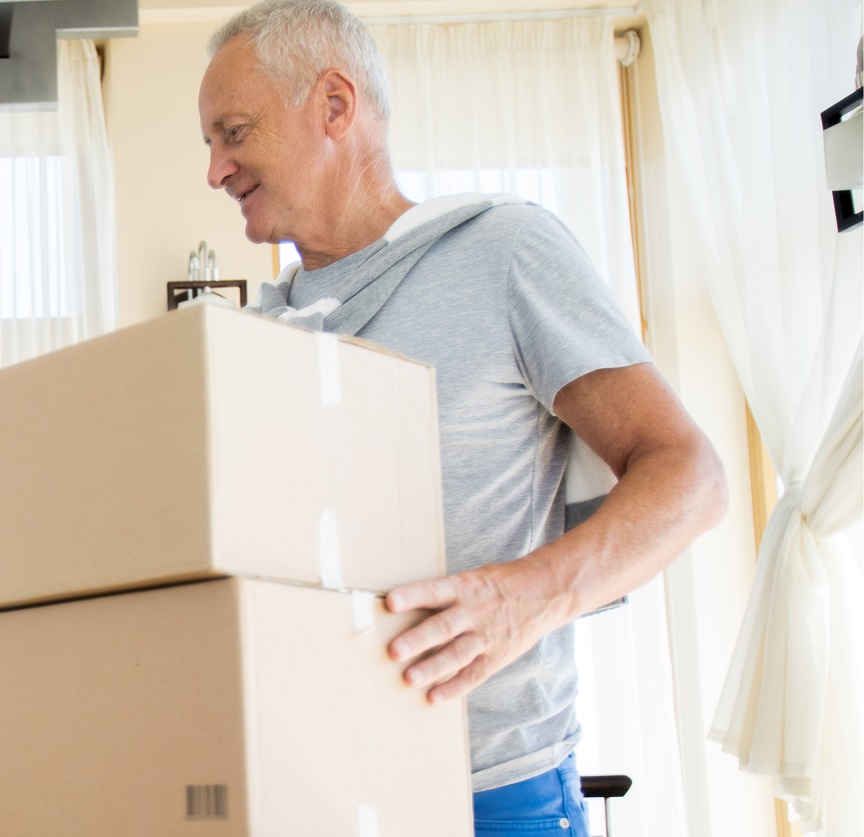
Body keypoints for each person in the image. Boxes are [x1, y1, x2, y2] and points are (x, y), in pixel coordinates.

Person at [198, 2, 727, 834]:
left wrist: (529, 597)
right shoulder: (254, 336)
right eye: (212, 145)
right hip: (306, 791)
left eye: (234, 132)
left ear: (334, 106)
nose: (216, 169)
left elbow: (690, 476)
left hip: (491, 792)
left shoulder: (503, 253)